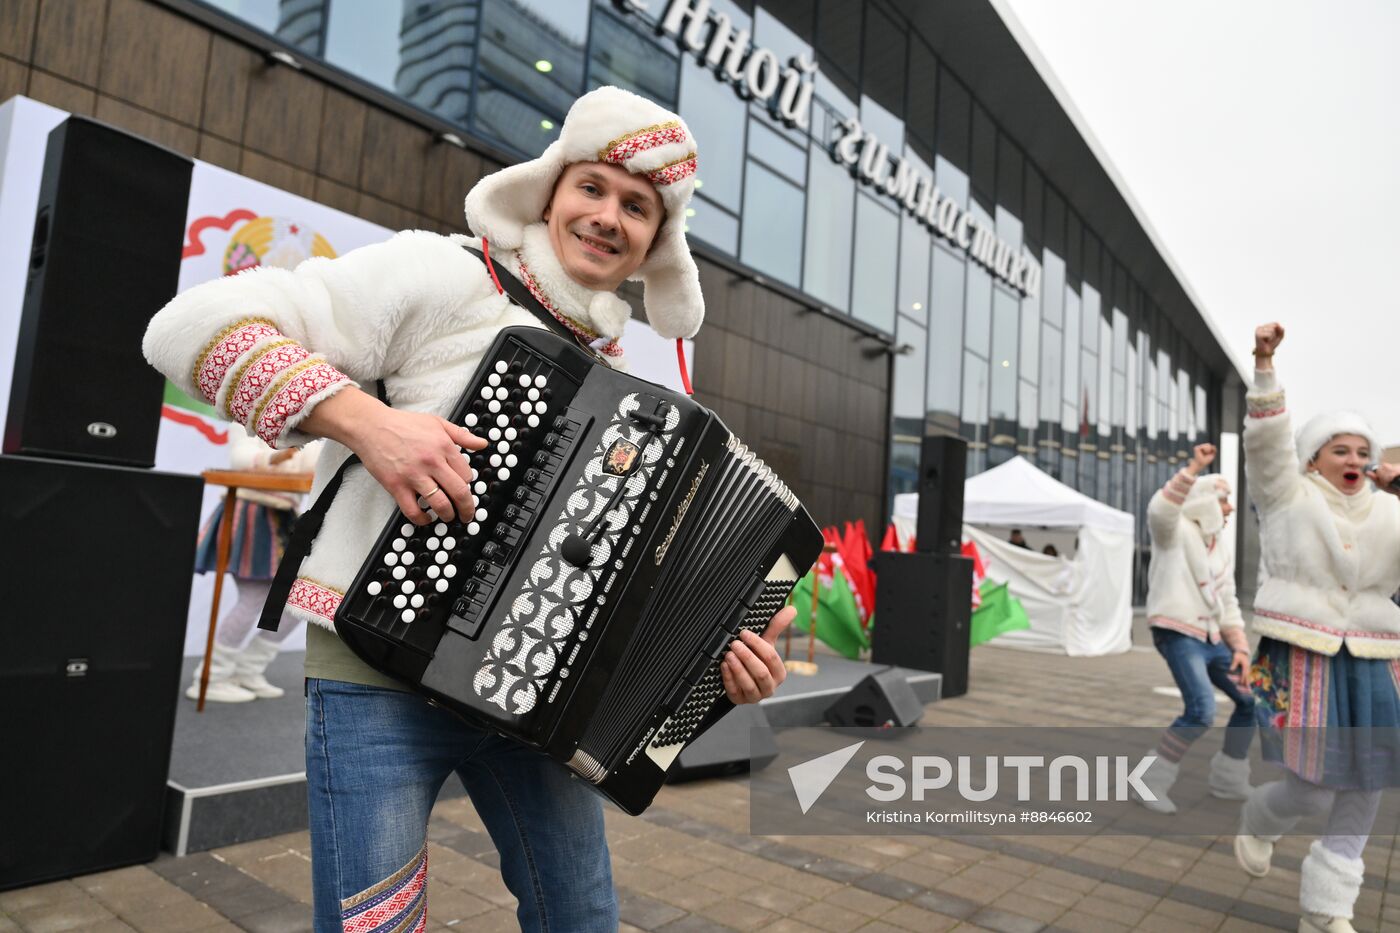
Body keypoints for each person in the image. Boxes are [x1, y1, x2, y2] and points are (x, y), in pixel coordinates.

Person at [143, 86, 796, 932]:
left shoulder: (646, 393)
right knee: (378, 926)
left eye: (637, 207)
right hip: (374, 676)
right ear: (550, 191)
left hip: (536, 710)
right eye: (592, 188)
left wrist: (716, 669)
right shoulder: (440, 271)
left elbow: (640, 595)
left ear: (653, 246)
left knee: (583, 917)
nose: (608, 216)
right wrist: (370, 425)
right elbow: (188, 325)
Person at [1232, 322, 1400, 933]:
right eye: (1340, 450)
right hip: (1306, 652)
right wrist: (1265, 367)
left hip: (1377, 656)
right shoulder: (1288, 496)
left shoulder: (1390, 510)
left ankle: (1327, 912)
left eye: (1363, 452)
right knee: (1311, 789)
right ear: (1313, 459)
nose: (1354, 460)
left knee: (1371, 779)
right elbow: (1266, 448)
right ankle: (1260, 815)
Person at [1135, 442, 1253, 814]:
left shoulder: (1219, 546)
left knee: (1252, 702)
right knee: (1201, 710)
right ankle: (1148, 780)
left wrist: (1241, 648)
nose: (1230, 506)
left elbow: (1229, 598)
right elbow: (1160, 509)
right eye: (1223, 500)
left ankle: (1228, 777)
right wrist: (1193, 468)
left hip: (1213, 638)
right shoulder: (1174, 531)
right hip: (1178, 632)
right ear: (1203, 501)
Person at [189, 424, 318, 702]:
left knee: (297, 602)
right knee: (253, 597)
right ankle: (212, 677)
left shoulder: (303, 426)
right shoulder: (248, 419)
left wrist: (282, 461)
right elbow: (242, 458)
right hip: (251, 512)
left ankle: (247, 669)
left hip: (282, 517)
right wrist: (277, 460)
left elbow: (315, 463)